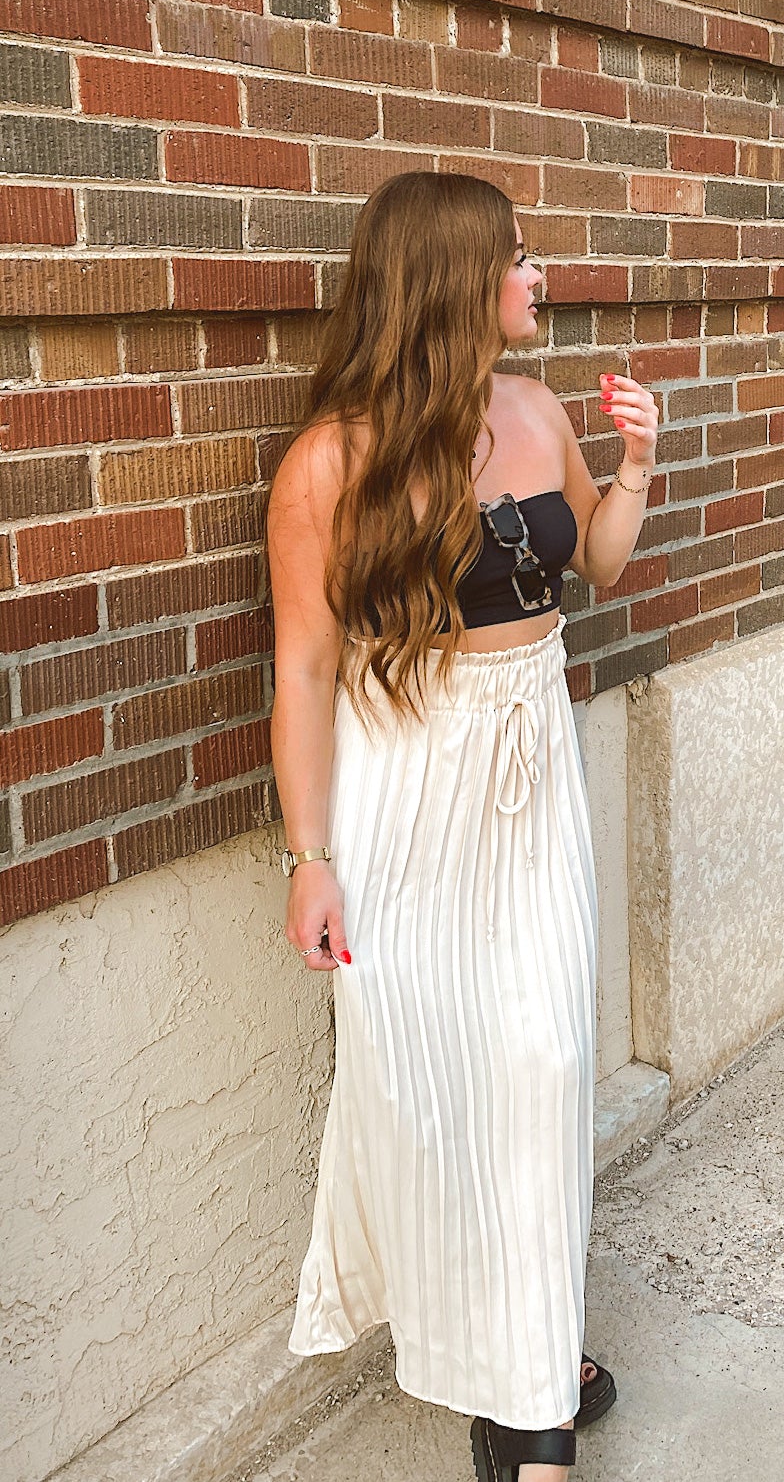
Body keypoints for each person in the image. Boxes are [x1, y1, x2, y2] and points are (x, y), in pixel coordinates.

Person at [266, 170, 659, 1482]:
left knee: (543, 1062)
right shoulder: (330, 464)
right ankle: (519, 1364)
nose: (537, 276)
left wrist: (638, 467)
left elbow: (598, 564)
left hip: (530, 772)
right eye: (517, 256)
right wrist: (311, 860)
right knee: (426, 1082)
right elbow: (303, 670)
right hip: (405, 787)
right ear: (452, 281)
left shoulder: (539, 412)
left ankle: (532, 1403)